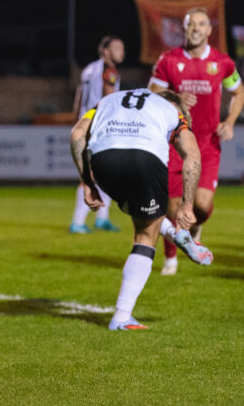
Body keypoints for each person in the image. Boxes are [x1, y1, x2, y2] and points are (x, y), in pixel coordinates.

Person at [70, 88, 212, 331]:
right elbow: (193, 155)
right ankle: (122, 317)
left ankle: (178, 236)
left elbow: (76, 135)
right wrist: (187, 206)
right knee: (145, 236)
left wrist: (88, 183)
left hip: (103, 161)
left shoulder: (106, 101)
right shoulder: (171, 110)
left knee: (139, 211)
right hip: (144, 159)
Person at [148, 7, 244, 275]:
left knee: (201, 206)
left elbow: (239, 92)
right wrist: (177, 96)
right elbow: (152, 92)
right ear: (184, 28)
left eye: (201, 25)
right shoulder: (168, 60)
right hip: (175, 143)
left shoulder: (222, 62)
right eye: (191, 24)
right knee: (172, 205)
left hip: (207, 145)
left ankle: (196, 227)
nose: (196, 29)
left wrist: (230, 121)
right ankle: (171, 258)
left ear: (209, 30)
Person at [69, 36, 125, 234]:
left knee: (103, 173)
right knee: (93, 174)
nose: (122, 51)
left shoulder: (88, 69)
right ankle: (77, 221)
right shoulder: (109, 71)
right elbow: (110, 99)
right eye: (117, 47)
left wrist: (77, 122)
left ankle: (102, 218)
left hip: (85, 124)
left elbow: (78, 97)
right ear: (106, 51)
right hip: (100, 126)